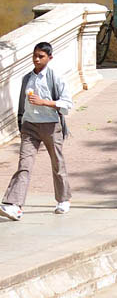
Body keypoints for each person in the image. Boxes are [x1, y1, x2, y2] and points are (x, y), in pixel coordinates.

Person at [1, 41, 73, 221]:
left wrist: (45, 102)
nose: (36, 59)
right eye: (35, 55)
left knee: (57, 163)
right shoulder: (27, 78)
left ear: (50, 58)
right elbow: (22, 104)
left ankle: (63, 199)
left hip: (51, 126)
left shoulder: (55, 77)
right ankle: (14, 205)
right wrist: (22, 122)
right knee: (24, 165)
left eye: (41, 56)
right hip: (30, 127)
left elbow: (67, 104)